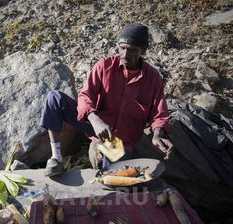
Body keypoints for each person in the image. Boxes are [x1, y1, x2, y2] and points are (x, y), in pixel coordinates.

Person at [41, 23, 173, 177]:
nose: (124, 54)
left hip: (119, 141)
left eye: (131, 50)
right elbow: (85, 96)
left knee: (111, 179)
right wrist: (94, 119)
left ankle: (106, 161)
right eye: (122, 48)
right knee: (55, 99)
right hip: (96, 126)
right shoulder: (105, 66)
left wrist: (157, 135)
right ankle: (56, 158)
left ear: (143, 51)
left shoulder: (153, 78)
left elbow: (159, 114)